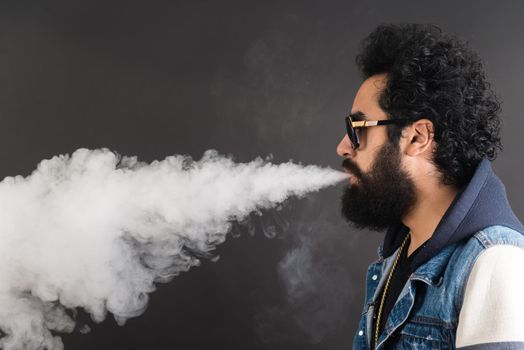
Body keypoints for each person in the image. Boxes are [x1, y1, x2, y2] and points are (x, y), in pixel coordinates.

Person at [337, 23, 524, 349]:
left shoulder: (495, 264)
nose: (343, 146)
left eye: (357, 128)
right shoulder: (399, 254)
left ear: (418, 137)